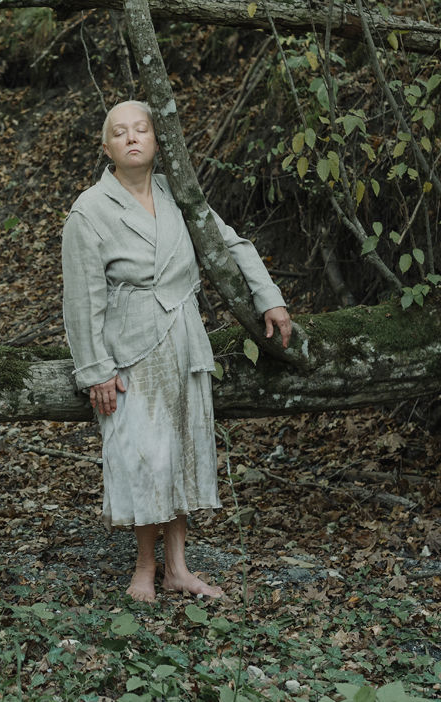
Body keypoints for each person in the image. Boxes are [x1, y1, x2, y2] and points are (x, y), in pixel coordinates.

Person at [61, 100, 292, 602]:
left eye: (141, 128)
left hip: (184, 340)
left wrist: (269, 298)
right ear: (106, 148)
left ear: (157, 140)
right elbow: (81, 299)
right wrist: (96, 369)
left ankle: (178, 569)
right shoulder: (90, 210)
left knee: (182, 451)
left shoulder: (176, 194)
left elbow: (229, 244)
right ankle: (144, 570)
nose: (132, 138)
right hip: (129, 348)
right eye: (119, 133)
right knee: (145, 456)